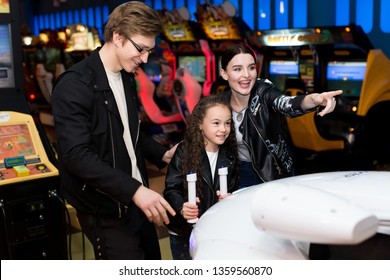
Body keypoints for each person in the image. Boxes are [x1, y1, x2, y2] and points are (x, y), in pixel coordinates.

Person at [51, 1, 177, 260]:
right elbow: (77, 156)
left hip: (135, 199)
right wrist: (135, 190)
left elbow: (128, 133)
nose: (144, 59)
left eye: (149, 51)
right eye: (141, 49)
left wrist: (161, 155)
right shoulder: (75, 85)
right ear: (118, 37)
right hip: (105, 207)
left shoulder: (127, 78)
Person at [219, 43, 342, 188]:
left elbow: (287, 104)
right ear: (224, 74)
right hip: (236, 172)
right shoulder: (220, 104)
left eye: (251, 67)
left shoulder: (263, 91)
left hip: (272, 172)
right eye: (237, 69)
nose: (246, 75)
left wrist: (315, 99)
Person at [163, 94, 239, 259]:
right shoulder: (184, 151)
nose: (223, 129)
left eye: (227, 123)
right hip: (183, 232)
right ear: (199, 124)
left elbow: (233, 188)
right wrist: (182, 207)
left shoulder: (230, 156)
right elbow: (171, 189)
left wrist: (229, 200)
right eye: (216, 123)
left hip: (213, 229)